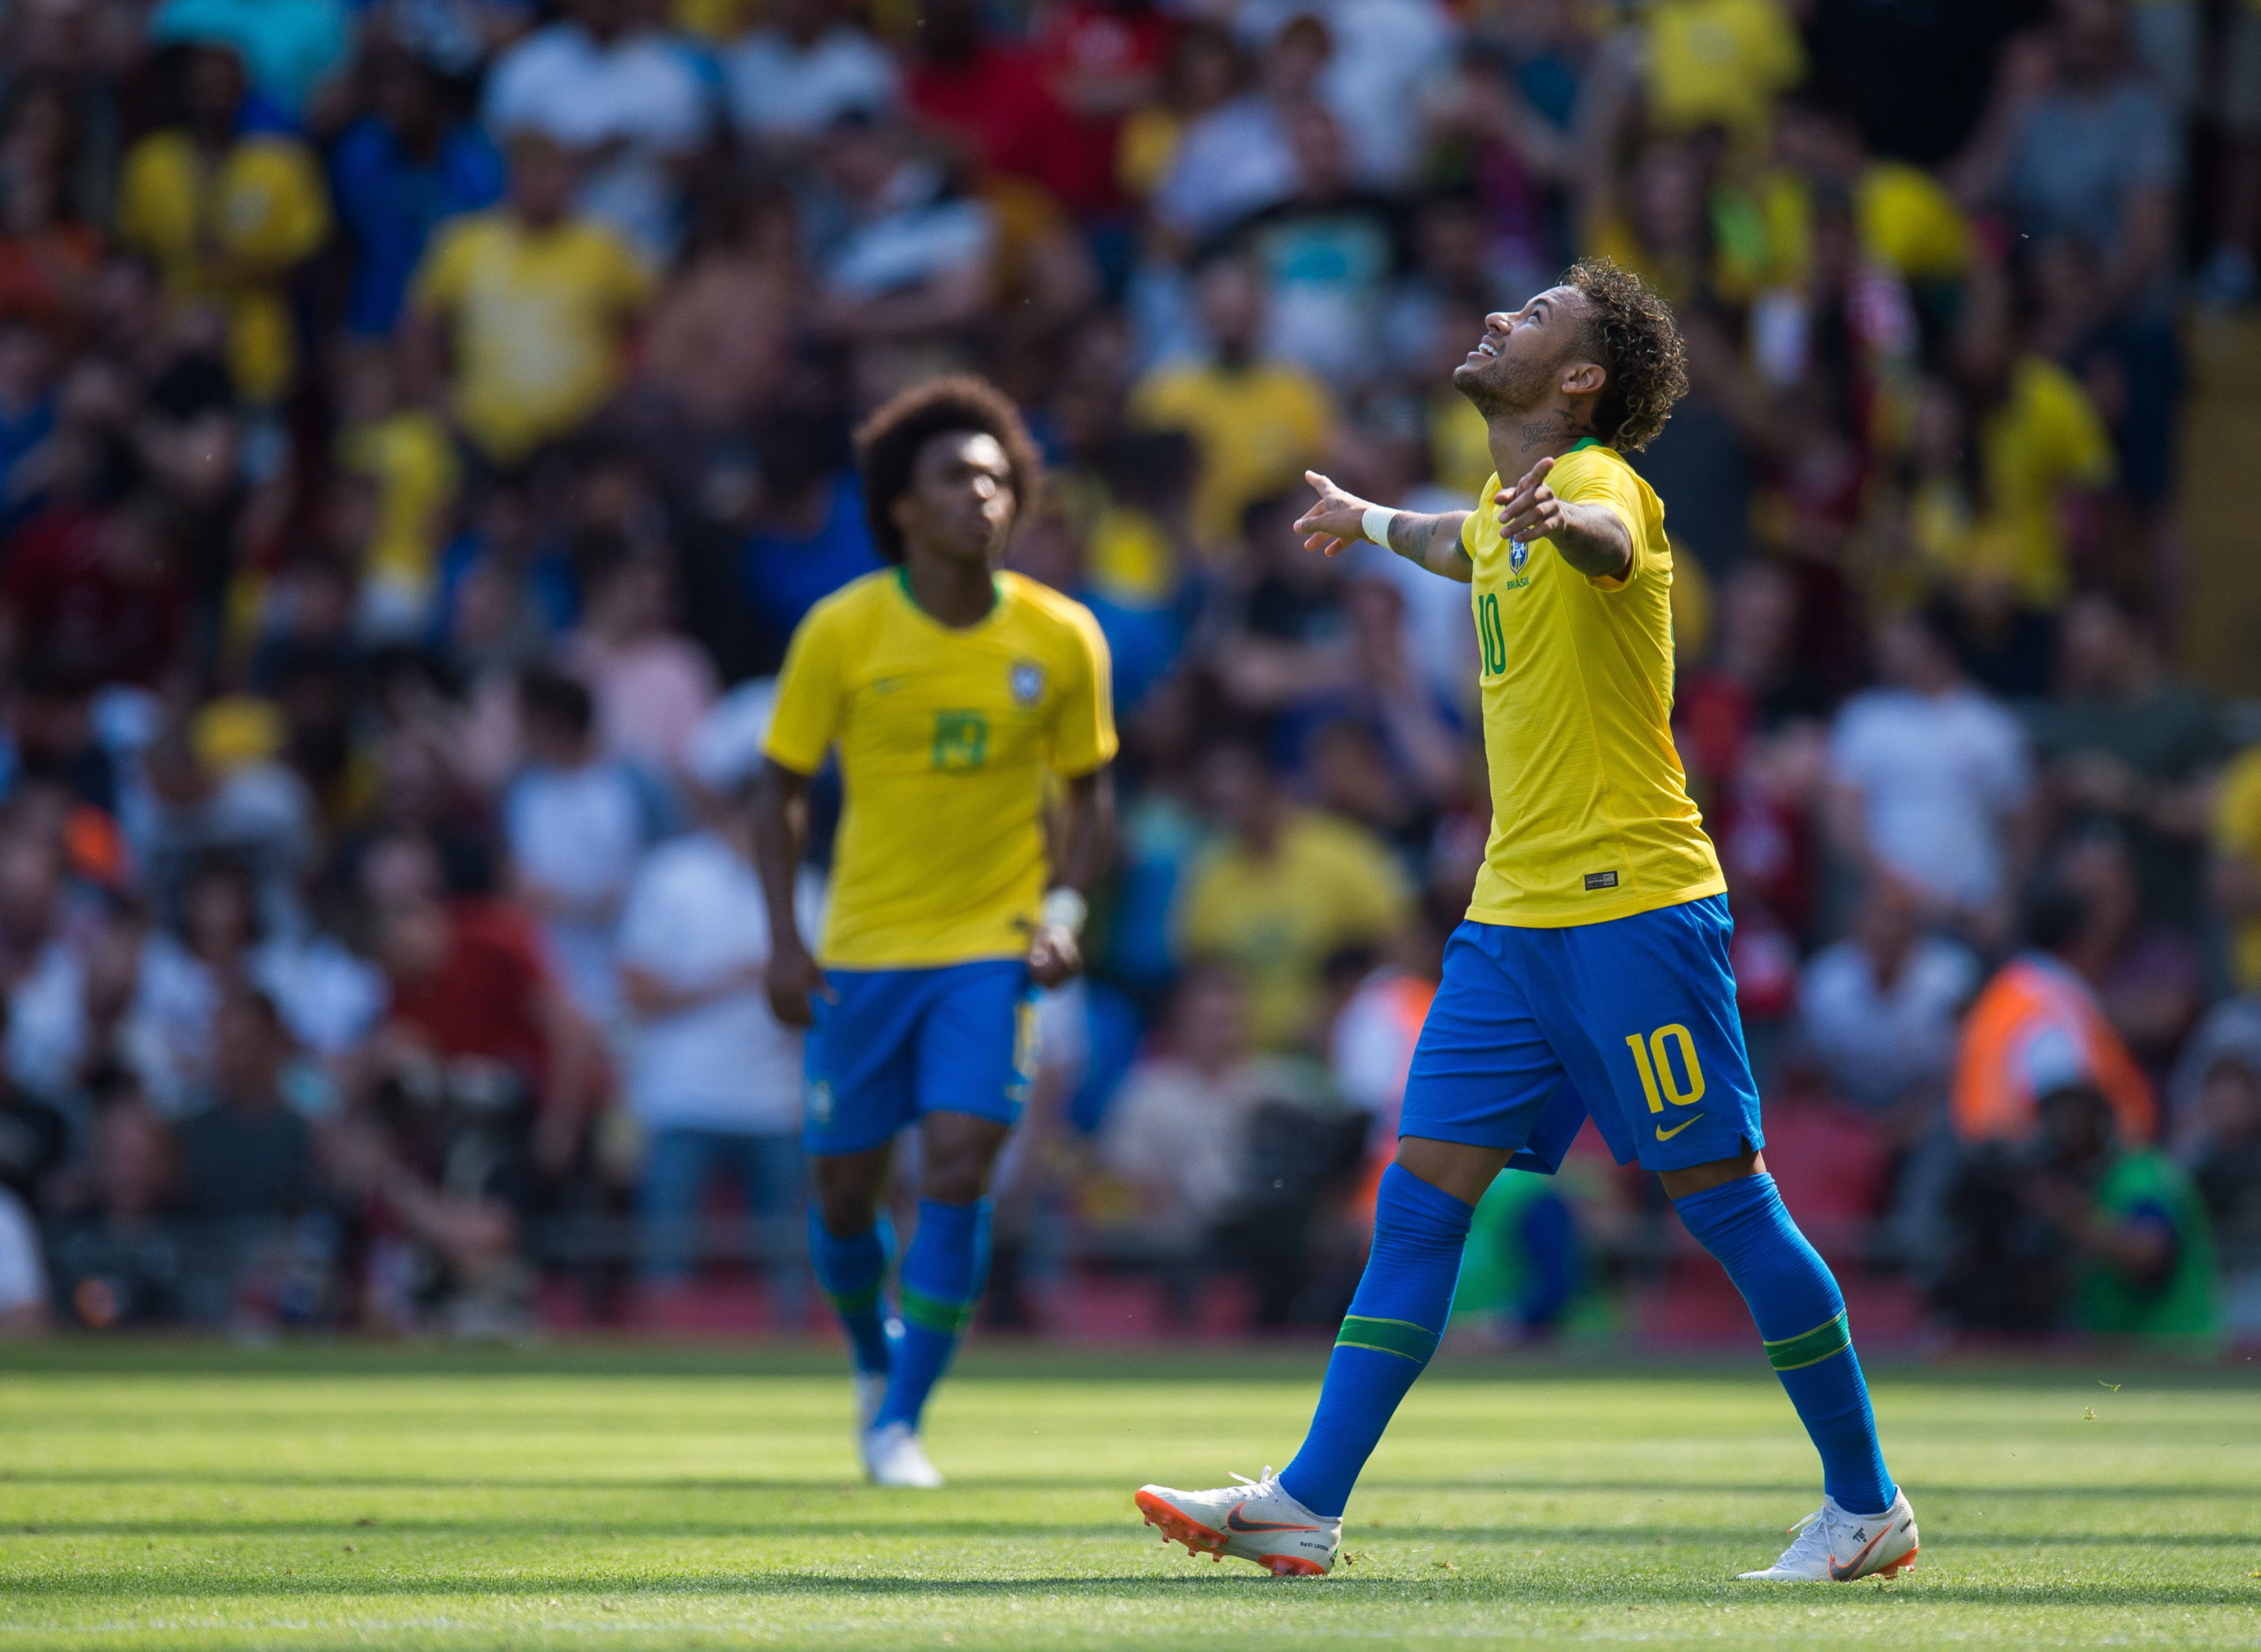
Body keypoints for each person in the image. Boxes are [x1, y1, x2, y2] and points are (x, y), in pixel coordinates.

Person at [1135, 260, 1917, 1583]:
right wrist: (1371, 517)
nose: (1499, 312)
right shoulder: (1508, 511)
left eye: (1539, 314)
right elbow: (1465, 544)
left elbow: (1605, 545)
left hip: (1633, 904)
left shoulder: (1599, 487)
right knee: (1419, 1198)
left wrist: (1567, 528)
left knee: (1723, 1201)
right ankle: (1306, 1500)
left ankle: (1867, 1503)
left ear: (1579, 380)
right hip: (1511, 921)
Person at [752, 376, 1115, 1488]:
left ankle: (900, 1423)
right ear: (900, 506)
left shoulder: (1061, 636)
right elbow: (776, 789)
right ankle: (875, 1359)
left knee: (959, 1163)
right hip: (863, 949)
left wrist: (1061, 913)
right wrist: (782, 938)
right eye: (955, 478)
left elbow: (1089, 795)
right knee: (845, 1195)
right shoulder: (842, 629)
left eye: (998, 479)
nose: (982, 496)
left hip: (987, 947)